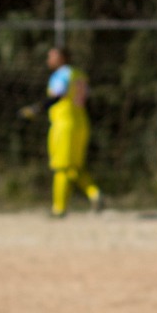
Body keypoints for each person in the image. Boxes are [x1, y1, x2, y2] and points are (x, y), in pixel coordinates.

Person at [21, 47, 102, 218]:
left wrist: (36, 109)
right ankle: (94, 194)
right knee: (76, 167)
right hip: (81, 123)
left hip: (64, 124)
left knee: (61, 168)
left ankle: (59, 208)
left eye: (51, 56)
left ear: (62, 58)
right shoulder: (79, 74)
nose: (48, 59)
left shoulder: (61, 74)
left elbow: (57, 96)